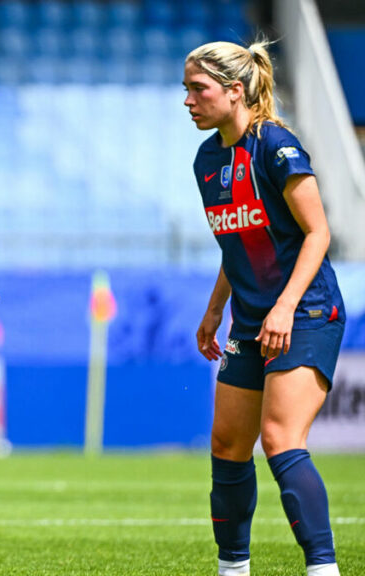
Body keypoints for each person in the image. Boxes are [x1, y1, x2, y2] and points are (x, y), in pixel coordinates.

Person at [184, 40, 345, 576]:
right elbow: (238, 243)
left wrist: (284, 307)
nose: (188, 100)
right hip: (250, 318)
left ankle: (323, 569)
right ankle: (234, 569)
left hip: (305, 312)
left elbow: (319, 233)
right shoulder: (208, 159)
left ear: (235, 91)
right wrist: (213, 312)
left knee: (279, 439)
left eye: (198, 89)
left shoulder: (277, 147)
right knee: (227, 444)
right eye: (186, 89)